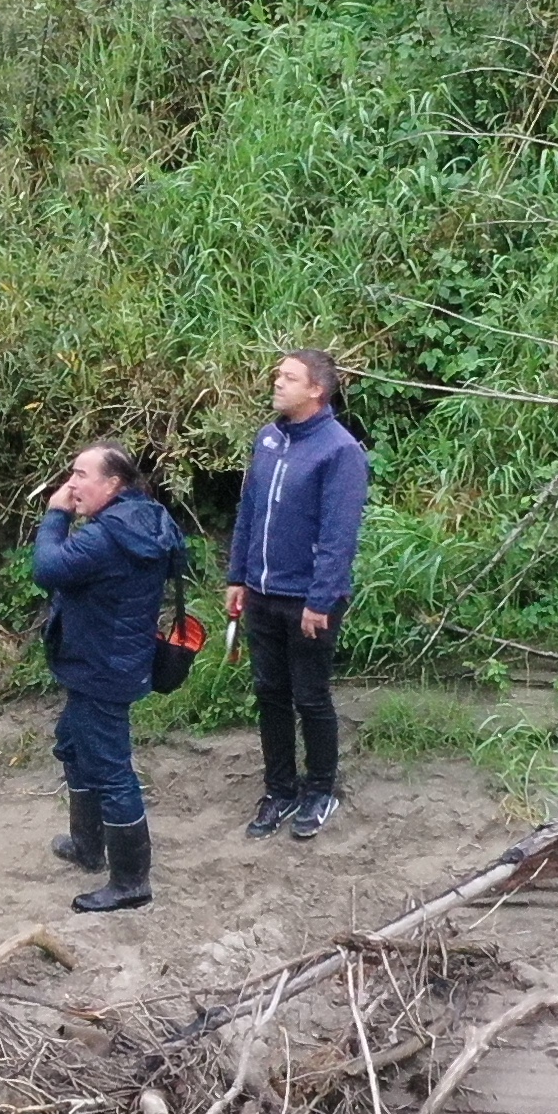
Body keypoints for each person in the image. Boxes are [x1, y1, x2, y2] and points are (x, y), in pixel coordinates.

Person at [30, 441, 183, 913]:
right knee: (74, 745)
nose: (71, 484)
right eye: (70, 475)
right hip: (113, 659)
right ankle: (87, 846)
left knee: (113, 770)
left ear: (113, 484)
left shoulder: (106, 537)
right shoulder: (148, 518)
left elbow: (47, 569)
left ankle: (131, 882)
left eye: (80, 475)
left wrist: (55, 516)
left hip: (101, 667)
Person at [224, 348, 368, 839]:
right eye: (277, 375)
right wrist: (236, 577)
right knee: (269, 694)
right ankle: (280, 790)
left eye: (288, 377)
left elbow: (338, 536)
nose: (277, 383)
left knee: (310, 697)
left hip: (308, 599)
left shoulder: (339, 451)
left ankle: (321, 789)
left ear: (316, 390)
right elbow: (249, 513)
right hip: (261, 593)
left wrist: (320, 600)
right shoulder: (267, 439)